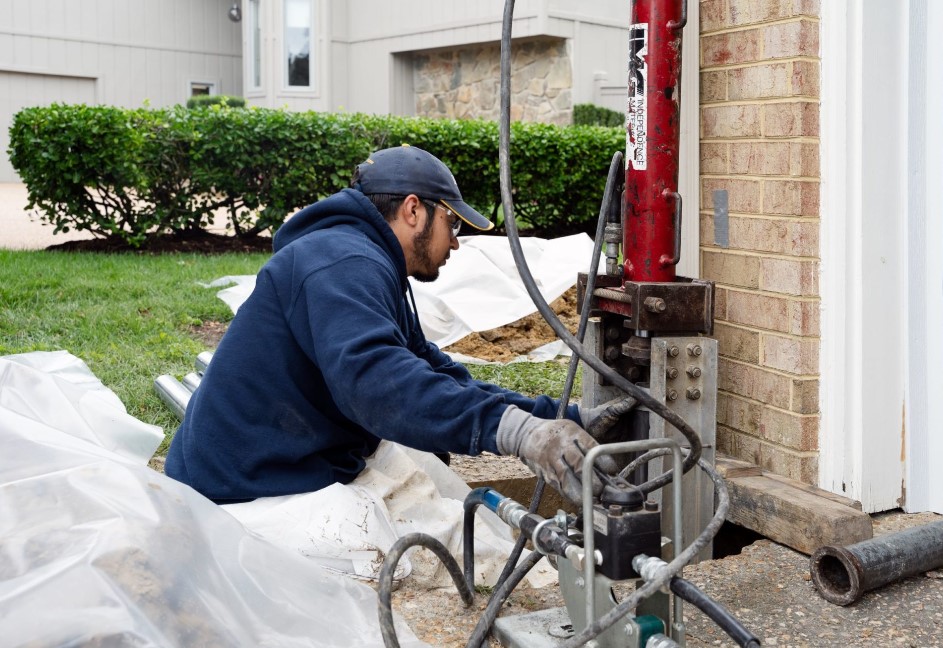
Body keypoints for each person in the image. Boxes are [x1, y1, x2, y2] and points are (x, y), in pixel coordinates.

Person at [165, 145, 616, 512]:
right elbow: (380, 384)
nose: (456, 240)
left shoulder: (361, 258)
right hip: (243, 495)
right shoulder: (344, 262)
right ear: (414, 210)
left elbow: (431, 371)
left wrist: (555, 418)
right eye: (451, 221)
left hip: (280, 464)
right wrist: (515, 434)